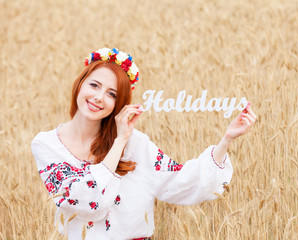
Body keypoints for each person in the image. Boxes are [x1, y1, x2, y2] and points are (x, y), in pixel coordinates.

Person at [31, 47, 257, 240]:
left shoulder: (135, 143)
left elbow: (180, 180)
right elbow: (89, 202)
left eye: (112, 94)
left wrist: (226, 139)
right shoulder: (47, 145)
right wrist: (119, 142)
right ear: (80, 84)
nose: (99, 97)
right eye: (94, 85)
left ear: (119, 103)